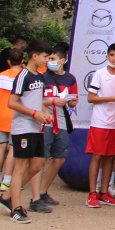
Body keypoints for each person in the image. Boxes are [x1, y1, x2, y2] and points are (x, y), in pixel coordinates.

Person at [0, 40, 54, 223]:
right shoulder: (23, 76)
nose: (47, 60)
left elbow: (37, 101)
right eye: (45, 56)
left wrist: (44, 113)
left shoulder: (40, 76)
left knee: (37, 166)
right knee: (19, 168)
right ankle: (16, 209)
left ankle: (5, 197)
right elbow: (12, 102)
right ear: (34, 56)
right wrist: (34, 113)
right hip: (23, 128)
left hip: (37, 128)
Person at [34, 43, 79, 210]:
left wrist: (73, 102)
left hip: (60, 123)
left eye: (52, 58)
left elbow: (73, 99)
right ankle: (35, 197)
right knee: (40, 160)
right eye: (48, 58)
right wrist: (52, 101)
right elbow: (34, 101)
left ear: (62, 60)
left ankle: (43, 191)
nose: (49, 61)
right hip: (44, 123)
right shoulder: (41, 77)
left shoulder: (70, 79)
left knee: (59, 159)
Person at [85, 43, 115, 208]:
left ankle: (103, 192)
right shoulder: (99, 74)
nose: (114, 58)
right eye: (112, 55)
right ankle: (92, 193)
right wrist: (113, 99)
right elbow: (90, 98)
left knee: (111, 157)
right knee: (97, 156)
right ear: (107, 56)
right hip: (100, 122)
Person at [0, 47, 24, 191]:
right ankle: (7, 180)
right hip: (15, 116)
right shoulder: (23, 76)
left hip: (0, 115)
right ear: (22, 61)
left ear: (8, 61)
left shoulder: (0, 76)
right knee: (12, 148)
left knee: (1, 146)